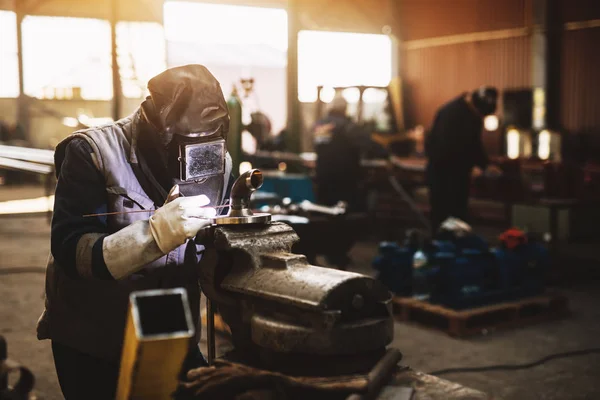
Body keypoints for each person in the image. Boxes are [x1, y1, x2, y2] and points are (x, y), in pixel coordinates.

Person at [36, 65, 233, 399]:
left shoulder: (220, 163)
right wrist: (152, 237)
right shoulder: (93, 153)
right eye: (188, 149)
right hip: (92, 341)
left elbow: (213, 240)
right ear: (159, 133)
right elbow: (71, 251)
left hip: (173, 334)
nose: (198, 161)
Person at [425, 86, 502, 233]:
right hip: (443, 176)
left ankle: (457, 249)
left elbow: (475, 144)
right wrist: (468, 166)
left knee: (459, 218)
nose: (481, 117)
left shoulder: (474, 115)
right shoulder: (450, 114)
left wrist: (485, 165)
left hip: (459, 176)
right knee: (443, 219)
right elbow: (445, 149)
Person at [313, 95, 365, 211]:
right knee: (346, 214)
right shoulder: (347, 125)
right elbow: (365, 143)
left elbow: (320, 147)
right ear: (344, 108)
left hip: (323, 177)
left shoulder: (320, 125)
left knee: (324, 211)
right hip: (344, 179)